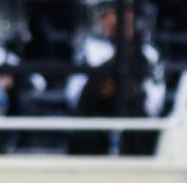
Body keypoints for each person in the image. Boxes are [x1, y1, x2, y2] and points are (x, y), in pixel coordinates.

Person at [66, 0, 165, 155]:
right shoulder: (89, 50)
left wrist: (128, 90)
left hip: (135, 123)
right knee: (84, 133)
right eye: (114, 11)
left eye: (130, 11)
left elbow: (154, 104)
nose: (125, 17)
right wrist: (97, 86)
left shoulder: (149, 54)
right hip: (95, 119)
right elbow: (74, 97)